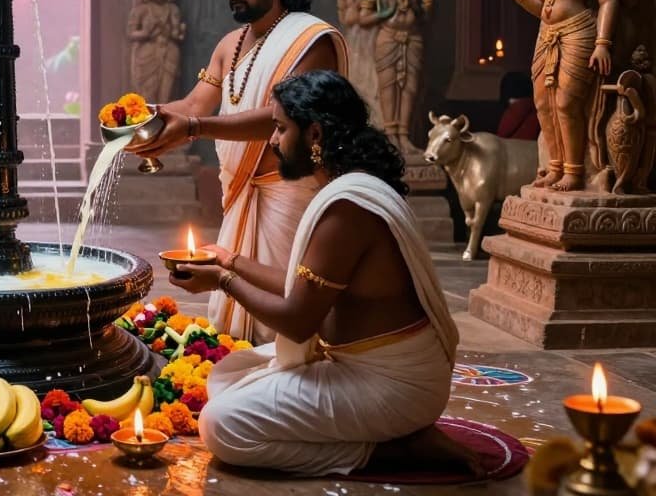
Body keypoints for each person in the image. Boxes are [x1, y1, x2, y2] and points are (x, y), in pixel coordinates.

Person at [169, 70, 478, 478]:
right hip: (373, 368)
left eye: (280, 129)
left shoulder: (347, 209)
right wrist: (229, 260)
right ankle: (384, 433)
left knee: (223, 426)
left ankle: (395, 449)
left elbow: (298, 321)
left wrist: (224, 282)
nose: (273, 141)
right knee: (229, 373)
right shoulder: (349, 189)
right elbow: (306, 286)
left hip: (394, 384)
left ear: (314, 134)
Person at [129, 0, 347, 342]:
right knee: (236, 327)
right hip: (242, 192)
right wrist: (144, 119)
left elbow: (282, 118)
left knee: (289, 310)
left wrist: (193, 129)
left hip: (290, 192)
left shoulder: (309, 40)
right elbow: (195, 105)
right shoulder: (230, 43)